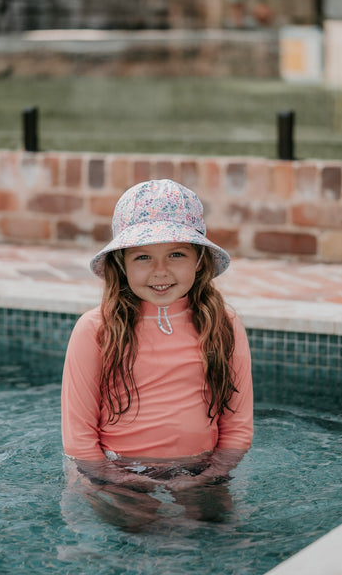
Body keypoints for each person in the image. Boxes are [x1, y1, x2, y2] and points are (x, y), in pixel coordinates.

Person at [61, 179, 253, 530]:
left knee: (214, 531)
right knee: (136, 534)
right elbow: (78, 435)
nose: (160, 271)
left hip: (202, 469)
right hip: (116, 471)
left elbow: (237, 426)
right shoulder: (95, 329)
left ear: (199, 262)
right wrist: (115, 479)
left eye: (176, 254)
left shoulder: (225, 324)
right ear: (121, 264)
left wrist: (209, 475)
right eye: (143, 256)